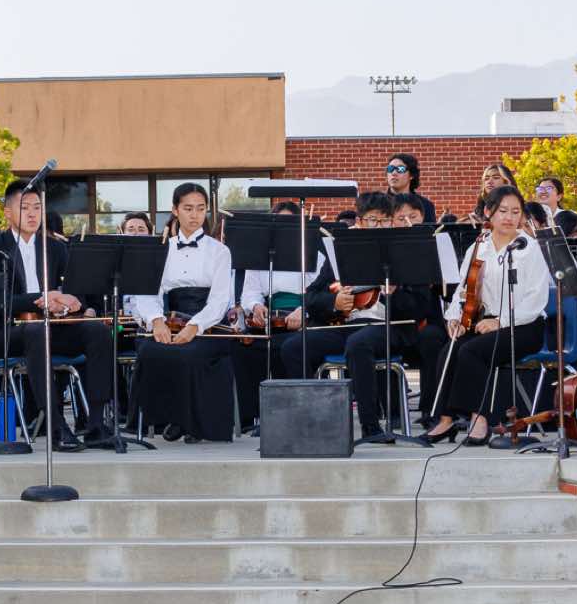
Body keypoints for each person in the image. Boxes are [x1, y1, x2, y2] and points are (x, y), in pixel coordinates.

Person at [275, 192, 437, 443]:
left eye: (384, 220)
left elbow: (420, 307)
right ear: (360, 221)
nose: (379, 226)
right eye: (372, 220)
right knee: (294, 347)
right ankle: (313, 421)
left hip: (391, 327)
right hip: (347, 325)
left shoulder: (407, 251)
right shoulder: (342, 251)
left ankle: (370, 426)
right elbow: (312, 296)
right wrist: (334, 302)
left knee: (359, 343)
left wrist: (393, 294)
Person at [0, 179, 118, 446]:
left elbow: (77, 292)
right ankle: (56, 425)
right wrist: (44, 298)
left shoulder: (55, 247)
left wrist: (68, 303)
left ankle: (97, 424)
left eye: (37, 207)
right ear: (7, 212)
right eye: (24, 208)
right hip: (5, 332)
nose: (32, 214)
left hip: (52, 327)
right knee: (36, 332)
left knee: (97, 331)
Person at [419, 186, 549, 446]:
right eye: (503, 211)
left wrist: (500, 321)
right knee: (450, 349)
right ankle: (445, 420)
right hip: (485, 322)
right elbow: (463, 290)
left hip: (525, 325)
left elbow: (535, 300)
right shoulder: (478, 247)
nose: (509, 217)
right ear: (489, 212)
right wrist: (454, 318)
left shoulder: (530, 248)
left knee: (471, 352)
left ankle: (479, 419)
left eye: (515, 212)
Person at [126, 183, 236, 442]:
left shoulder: (220, 251)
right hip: (171, 320)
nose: (194, 215)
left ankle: (192, 423)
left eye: (200, 208)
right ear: (175, 210)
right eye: (188, 208)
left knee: (190, 353)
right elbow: (147, 294)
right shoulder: (160, 248)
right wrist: (156, 321)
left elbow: (220, 300)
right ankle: (165, 419)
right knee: (150, 350)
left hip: (209, 325)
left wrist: (195, 326)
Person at [231, 199, 324, 431]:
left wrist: (304, 310)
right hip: (269, 319)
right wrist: (256, 306)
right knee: (244, 349)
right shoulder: (260, 255)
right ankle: (252, 417)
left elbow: (321, 293)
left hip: (304, 317)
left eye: (291, 224)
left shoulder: (314, 255)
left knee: (290, 347)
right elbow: (250, 292)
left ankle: (295, 416)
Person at [383, 152, 436, 222]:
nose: (394, 173)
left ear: (411, 175)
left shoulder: (425, 205)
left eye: (400, 169)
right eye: (390, 168)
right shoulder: (378, 204)